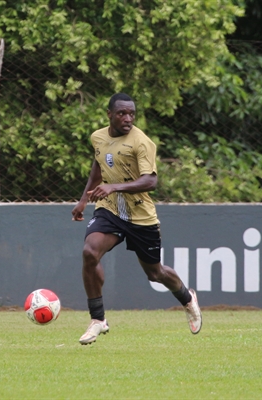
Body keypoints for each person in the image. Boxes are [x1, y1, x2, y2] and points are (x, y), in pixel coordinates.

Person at [71, 93, 202, 345]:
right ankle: (98, 320)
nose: (128, 118)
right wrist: (84, 199)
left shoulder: (141, 142)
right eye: (122, 113)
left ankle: (188, 299)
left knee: (155, 273)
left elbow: (150, 181)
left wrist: (114, 187)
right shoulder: (97, 136)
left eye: (131, 113)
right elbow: (98, 165)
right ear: (109, 114)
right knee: (90, 253)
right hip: (109, 210)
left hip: (140, 216)